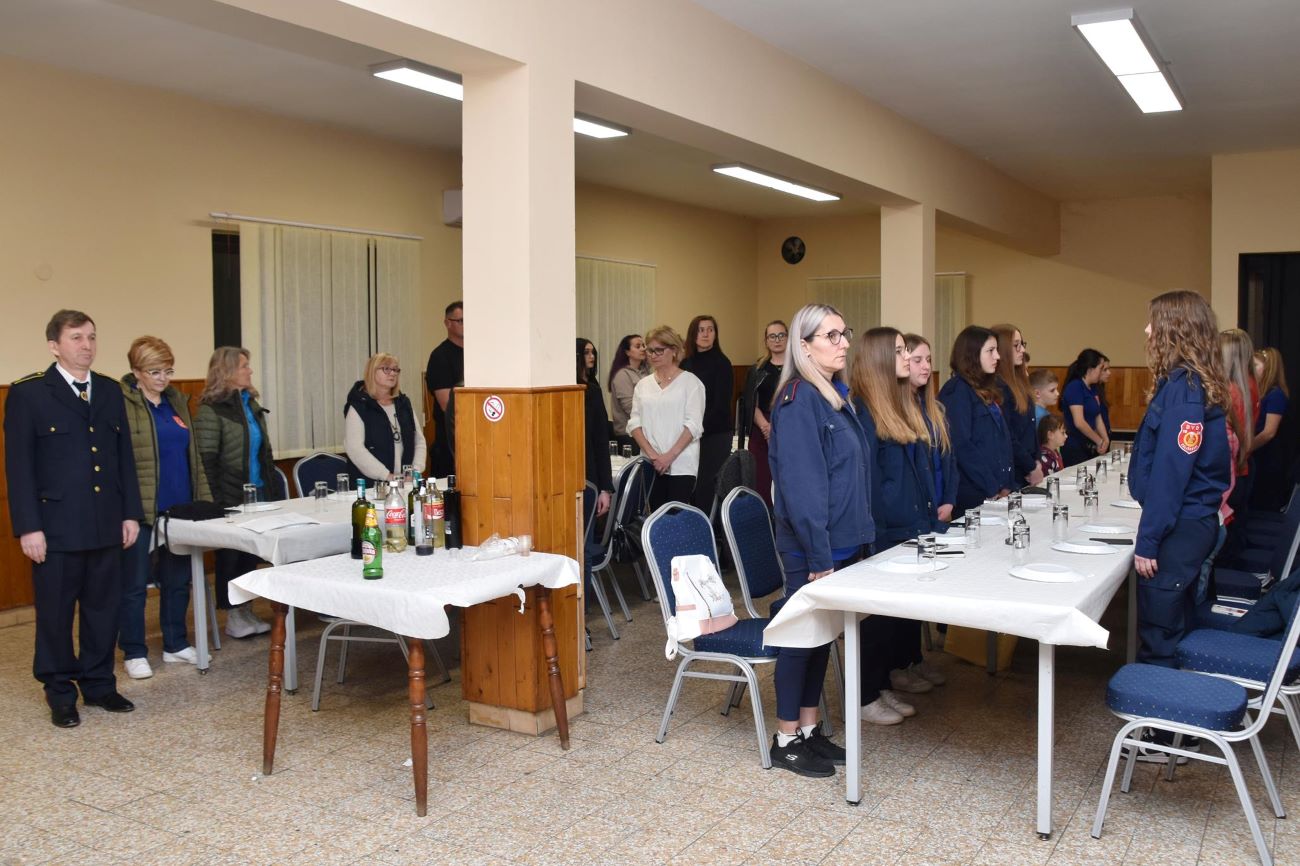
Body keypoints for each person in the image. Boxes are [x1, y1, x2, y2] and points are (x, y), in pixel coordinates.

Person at [5, 310, 143, 728]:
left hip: (105, 522)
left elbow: (122, 457)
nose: (87, 345)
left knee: (103, 609)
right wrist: (29, 527)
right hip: (56, 527)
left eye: (92, 337)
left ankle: (99, 684)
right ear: (54, 346)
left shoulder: (108, 390)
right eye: (77, 338)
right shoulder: (30, 393)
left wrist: (130, 514)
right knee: (56, 614)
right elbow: (19, 467)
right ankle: (60, 692)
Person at [768, 304, 870, 775]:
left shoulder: (831, 395)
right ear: (804, 346)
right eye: (831, 335)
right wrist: (819, 554)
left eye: (843, 333)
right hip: (812, 547)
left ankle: (809, 730)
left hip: (838, 542)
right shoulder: (797, 401)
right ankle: (786, 738)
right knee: (799, 640)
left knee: (820, 639)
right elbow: (803, 487)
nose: (844, 342)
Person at [1129, 291, 1231, 675]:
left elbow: (1170, 475)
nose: (1147, 330)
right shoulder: (1186, 383)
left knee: (1160, 634)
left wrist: (1148, 540)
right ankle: (1175, 709)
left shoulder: (1185, 390)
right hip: (1189, 523)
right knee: (1175, 624)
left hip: (1181, 526)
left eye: (1153, 322)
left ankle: (1156, 710)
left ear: (1176, 329)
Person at [849, 327, 938, 726]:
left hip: (907, 527)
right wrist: (877, 535)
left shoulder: (896, 404)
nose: (907, 358)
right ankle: (864, 695)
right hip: (884, 532)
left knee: (893, 619)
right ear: (882, 358)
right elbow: (869, 483)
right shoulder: (865, 410)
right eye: (901, 351)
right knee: (876, 620)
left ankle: (881, 684)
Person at [118, 337, 211, 680]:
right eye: (154, 371)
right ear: (136, 372)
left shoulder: (175, 401)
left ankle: (175, 643)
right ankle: (134, 651)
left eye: (168, 371)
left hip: (179, 507)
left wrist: (202, 500)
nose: (163, 378)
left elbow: (193, 455)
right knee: (134, 585)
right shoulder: (123, 404)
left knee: (177, 580)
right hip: (141, 509)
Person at [194, 347, 285, 639]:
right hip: (230, 495)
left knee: (249, 556)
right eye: (245, 365)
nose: (250, 370)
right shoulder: (211, 409)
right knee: (231, 556)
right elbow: (206, 460)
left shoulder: (251, 405)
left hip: (257, 493)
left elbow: (263, 453)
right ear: (228, 371)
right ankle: (232, 614)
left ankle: (246, 610)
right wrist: (216, 501)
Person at [938, 326, 1014, 516]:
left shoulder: (987, 388)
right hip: (973, 491)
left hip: (996, 489)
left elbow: (1001, 440)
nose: (997, 356)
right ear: (972, 355)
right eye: (990, 351)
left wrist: (1006, 482)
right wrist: (992, 485)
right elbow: (961, 444)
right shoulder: (957, 391)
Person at [628, 326, 705, 512]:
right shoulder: (643, 385)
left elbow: (693, 425)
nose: (653, 355)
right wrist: (653, 456)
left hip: (681, 464)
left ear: (674, 351)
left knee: (676, 517)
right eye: (650, 350)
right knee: (655, 516)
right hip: (651, 463)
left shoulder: (691, 383)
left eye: (659, 350)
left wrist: (668, 457)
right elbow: (634, 423)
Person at [343, 353, 426, 484]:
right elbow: (355, 449)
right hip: (371, 486)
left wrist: (415, 471)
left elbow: (419, 441)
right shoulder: (358, 406)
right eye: (386, 369)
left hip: (405, 483)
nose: (392, 373)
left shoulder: (403, 404)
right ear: (372, 372)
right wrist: (387, 476)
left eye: (395, 369)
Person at [679, 315, 734, 513]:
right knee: (688, 483)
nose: (706, 334)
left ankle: (708, 527)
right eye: (701, 330)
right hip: (689, 434)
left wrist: (695, 430)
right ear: (693, 334)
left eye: (710, 330)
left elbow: (720, 406)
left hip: (714, 434)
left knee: (706, 487)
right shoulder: (685, 364)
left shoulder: (722, 363)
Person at [740, 320, 787, 506]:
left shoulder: (798, 368)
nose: (777, 340)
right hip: (762, 427)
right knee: (760, 482)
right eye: (772, 336)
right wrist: (766, 427)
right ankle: (764, 518)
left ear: (788, 338)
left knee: (788, 480)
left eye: (781, 335)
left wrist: (777, 427)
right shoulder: (757, 369)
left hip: (791, 426)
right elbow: (750, 403)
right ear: (766, 341)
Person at [992, 324, 1044, 486]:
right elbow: (1008, 435)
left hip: (1028, 465)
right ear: (1002, 350)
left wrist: (1037, 460)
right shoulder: (999, 387)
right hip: (1014, 469)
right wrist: (1030, 466)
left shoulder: (1020, 382)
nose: (1022, 350)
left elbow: (1031, 428)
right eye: (1016, 345)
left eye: (1022, 344)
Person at [424, 300, 464, 478]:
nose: (467, 325)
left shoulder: (478, 353)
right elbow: (447, 405)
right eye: (461, 321)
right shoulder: (440, 356)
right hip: (449, 443)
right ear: (447, 323)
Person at [1250, 347, 1291, 510]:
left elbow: (1269, 432)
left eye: (1255, 365)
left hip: (1267, 458)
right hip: (1258, 455)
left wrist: (1246, 448)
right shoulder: (1261, 393)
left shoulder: (1276, 395)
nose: (1251, 369)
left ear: (1268, 368)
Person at [578, 339, 614, 517]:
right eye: (586, 352)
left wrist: (605, 487)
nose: (591, 356)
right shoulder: (571, 390)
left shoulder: (594, 389)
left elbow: (601, 439)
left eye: (593, 352)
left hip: (591, 470)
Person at [1060, 348, 1110, 466]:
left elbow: (1097, 416)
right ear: (1090, 369)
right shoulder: (1075, 387)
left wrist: (1105, 439)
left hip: (1089, 443)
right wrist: (1099, 441)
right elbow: (1079, 422)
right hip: (1075, 446)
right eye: (1100, 368)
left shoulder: (1092, 388)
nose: (1101, 372)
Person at [607, 334, 649, 455]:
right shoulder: (622, 375)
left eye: (643, 345)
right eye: (638, 346)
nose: (643, 349)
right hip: (628, 435)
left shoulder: (646, 372)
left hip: (646, 431)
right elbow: (630, 407)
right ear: (627, 352)